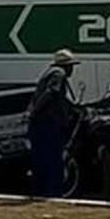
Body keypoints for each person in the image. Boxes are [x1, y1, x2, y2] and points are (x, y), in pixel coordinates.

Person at [27, 49, 79, 198]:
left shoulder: (50, 72)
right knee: (53, 159)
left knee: (40, 159)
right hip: (46, 122)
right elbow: (51, 92)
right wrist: (36, 110)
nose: (72, 70)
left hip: (38, 122)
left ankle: (40, 191)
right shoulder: (58, 74)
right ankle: (53, 192)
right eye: (71, 66)